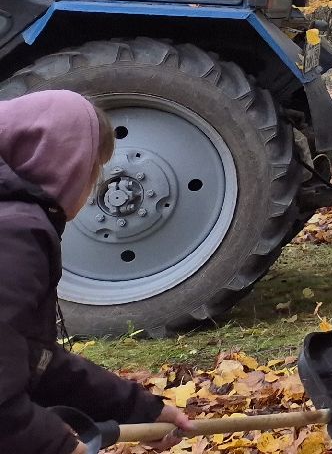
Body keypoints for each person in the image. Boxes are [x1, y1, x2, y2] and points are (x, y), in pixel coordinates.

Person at [1, 89, 195, 453]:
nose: (93, 185)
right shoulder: (13, 234)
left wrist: (141, 412)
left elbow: (33, 359)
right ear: (63, 164)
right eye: (94, 168)